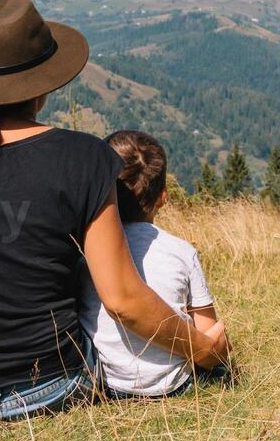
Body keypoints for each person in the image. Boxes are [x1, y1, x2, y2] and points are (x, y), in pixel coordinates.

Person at [0, 0, 228, 427]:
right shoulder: (81, 158)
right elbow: (122, 300)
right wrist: (204, 349)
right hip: (45, 387)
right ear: (43, 81)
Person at [81, 130, 231, 399]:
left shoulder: (84, 251)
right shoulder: (182, 252)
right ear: (163, 196)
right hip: (172, 385)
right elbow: (208, 332)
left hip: (105, 384)